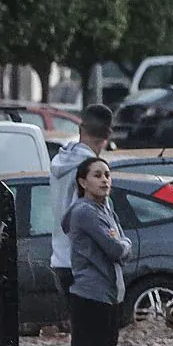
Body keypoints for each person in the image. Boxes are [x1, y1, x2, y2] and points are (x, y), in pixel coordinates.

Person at [60, 157, 132, 346]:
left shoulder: (106, 208)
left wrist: (122, 244)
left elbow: (121, 242)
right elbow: (117, 248)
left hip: (108, 295)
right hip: (89, 296)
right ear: (82, 181)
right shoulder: (84, 212)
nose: (104, 180)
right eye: (97, 175)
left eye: (107, 175)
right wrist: (123, 245)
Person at [49, 104, 114, 307]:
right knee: (96, 334)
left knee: (80, 332)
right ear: (108, 135)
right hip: (86, 264)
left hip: (60, 259)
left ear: (80, 129)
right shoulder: (95, 171)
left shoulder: (59, 161)